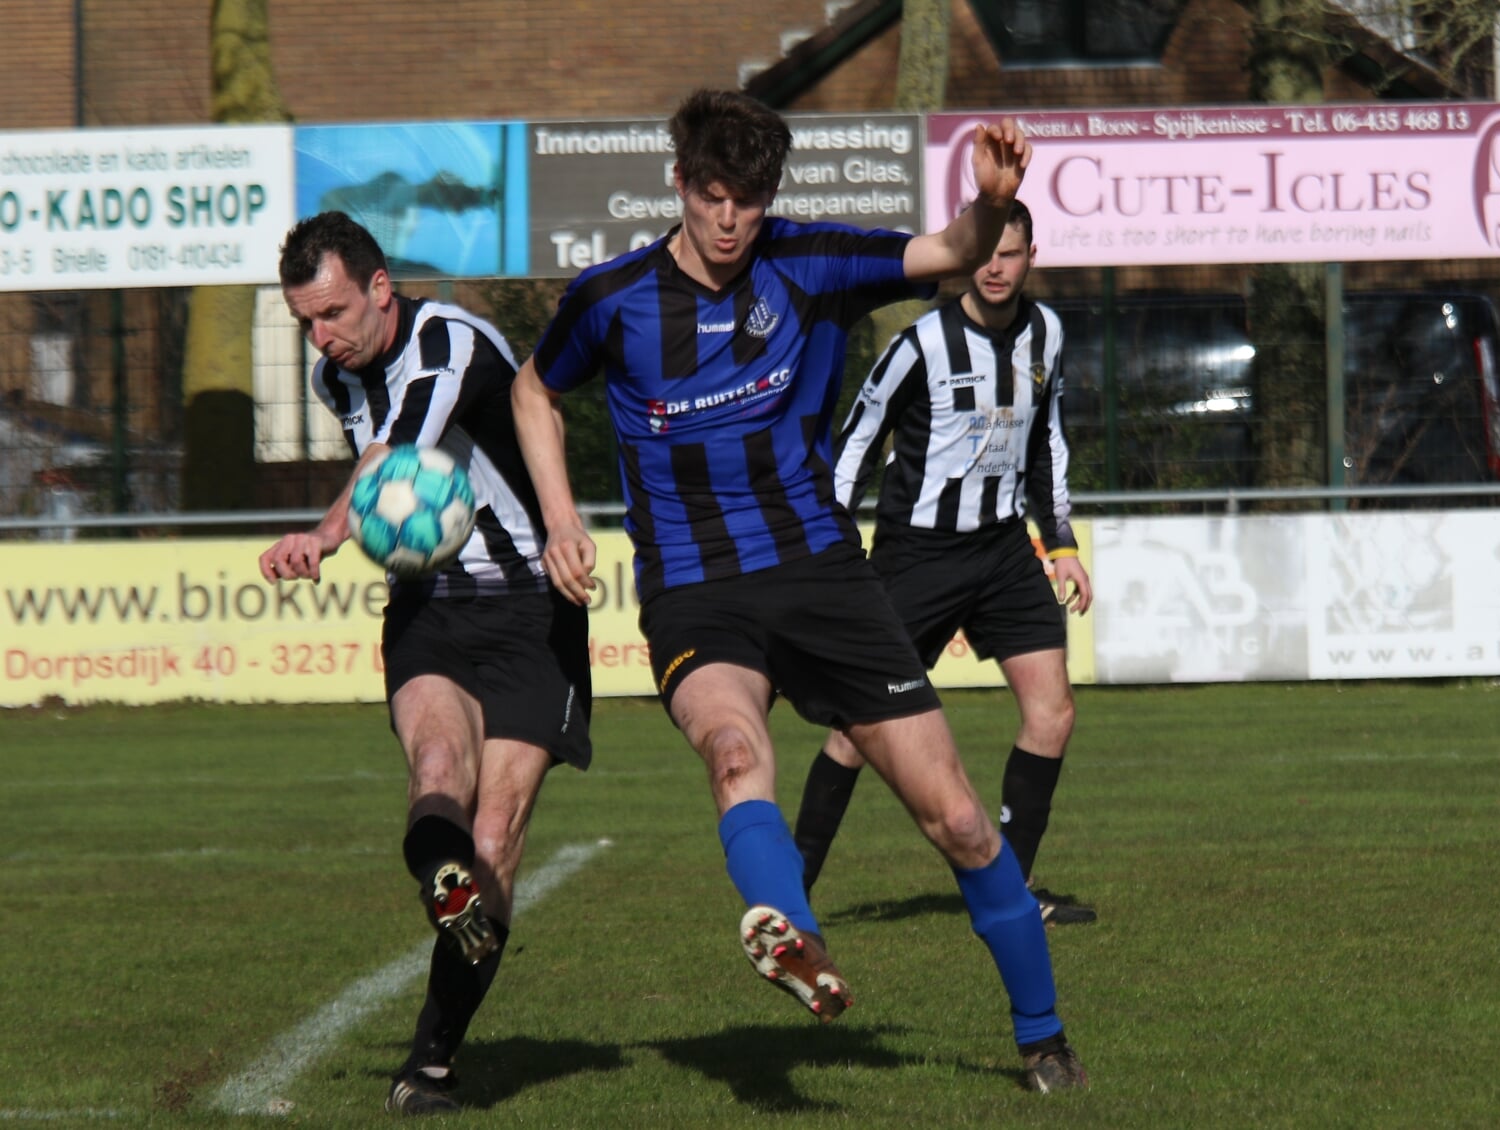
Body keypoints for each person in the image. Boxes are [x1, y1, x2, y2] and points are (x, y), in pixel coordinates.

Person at [511, 89, 1087, 1093]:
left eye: (751, 199)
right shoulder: (612, 299)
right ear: (678, 183)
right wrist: (562, 519)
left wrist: (992, 203)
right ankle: (796, 935)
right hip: (695, 589)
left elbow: (948, 250)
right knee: (735, 750)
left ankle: (1042, 1037)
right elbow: (533, 388)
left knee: (956, 816)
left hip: (823, 574)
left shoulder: (809, 259)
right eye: (715, 195)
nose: (731, 220)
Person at [258, 211, 593, 1116]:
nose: (321, 337)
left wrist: (328, 534)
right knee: (437, 769)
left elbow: (395, 458)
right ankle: (443, 885)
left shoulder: (453, 338)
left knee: (497, 841)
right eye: (304, 322)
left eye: (331, 312)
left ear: (379, 288)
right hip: (431, 604)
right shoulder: (337, 374)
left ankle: (432, 1059)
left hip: (531, 609)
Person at [793, 199, 1097, 927]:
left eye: (1011, 253)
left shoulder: (1048, 334)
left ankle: (1010, 893)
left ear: (1031, 258)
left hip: (1001, 551)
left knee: (1052, 713)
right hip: (917, 555)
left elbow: (1046, 444)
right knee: (857, 730)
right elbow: (855, 447)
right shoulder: (919, 344)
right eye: (984, 251)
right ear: (965, 258)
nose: (995, 266)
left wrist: (1060, 543)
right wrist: (826, 547)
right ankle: (789, 894)